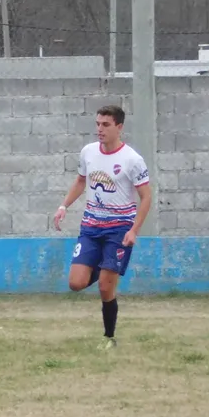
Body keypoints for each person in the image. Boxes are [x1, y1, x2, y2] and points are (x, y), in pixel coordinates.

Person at [52, 105, 152, 349]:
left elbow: (146, 197)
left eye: (106, 125)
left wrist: (134, 230)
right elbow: (80, 181)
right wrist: (63, 206)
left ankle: (109, 337)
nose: (100, 129)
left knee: (106, 288)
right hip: (91, 227)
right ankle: (103, 267)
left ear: (119, 127)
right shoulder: (88, 152)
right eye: (98, 124)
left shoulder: (132, 160)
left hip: (118, 229)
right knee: (76, 283)